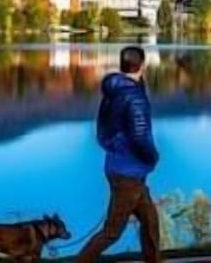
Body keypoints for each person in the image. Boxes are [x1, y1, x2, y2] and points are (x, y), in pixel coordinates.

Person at [75, 45, 161, 263]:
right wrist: (152, 157)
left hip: (120, 166)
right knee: (112, 232)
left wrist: (113, 147)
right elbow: (140, 136)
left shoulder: (114, 92)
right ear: (142, 64)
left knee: (150, 220)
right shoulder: (134, 97)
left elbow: (102, 130)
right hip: (128, 173)